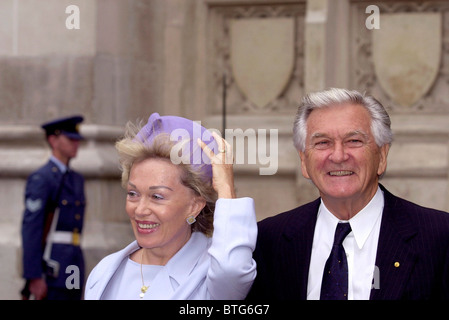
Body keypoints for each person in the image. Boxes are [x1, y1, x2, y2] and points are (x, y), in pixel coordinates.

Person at [247, 88, 449, 300]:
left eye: (354, 141)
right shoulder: (269, 241)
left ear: (381, 155)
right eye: (323, 143)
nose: (338, 156)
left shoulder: (439, 237)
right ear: (304, 161)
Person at [84, 113, 257, 300]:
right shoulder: (105, 272)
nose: (140, 210)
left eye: (157, 196)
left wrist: (226, 189)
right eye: (133, 194)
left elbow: (231, 270)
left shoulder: (209, 273)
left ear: (194, 206)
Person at [21, 115, 86, 300]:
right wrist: (33, 276)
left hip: (73, 262)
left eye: (77, 140)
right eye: (70, 139)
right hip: (52, 265)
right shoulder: (42, 178)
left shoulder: (76, 179)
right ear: (53, 140)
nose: (76, 144)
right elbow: (31, 229)